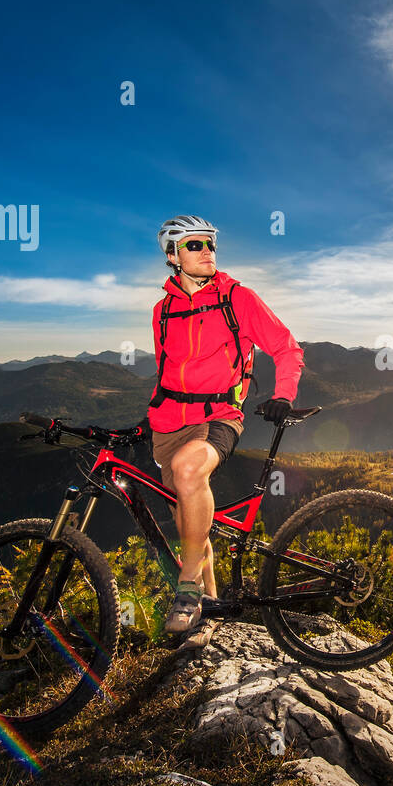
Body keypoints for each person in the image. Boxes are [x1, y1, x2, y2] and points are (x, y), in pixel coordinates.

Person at [146, 215, 304, 633]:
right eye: (194, 245)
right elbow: (167, 371)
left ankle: (186, 590)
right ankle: (210, 613)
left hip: (219, 416)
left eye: (210, 244)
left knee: (189, 469)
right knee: (190, 530)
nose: (207, 252)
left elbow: (287, 348)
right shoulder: (162, 312)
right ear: (172, 255)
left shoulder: (238, 298)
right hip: (167, 424)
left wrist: (283, 394)